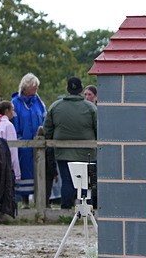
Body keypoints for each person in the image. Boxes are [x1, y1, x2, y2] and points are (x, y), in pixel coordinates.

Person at [43, 77, 98, 209]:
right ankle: (87, 210)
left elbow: (47, 129)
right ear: (80, 89)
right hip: (88, 153)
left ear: (68, 89)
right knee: (86, 182)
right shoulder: (91, 108)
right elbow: (98, 129)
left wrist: (51, 142)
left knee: (67, 182)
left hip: (63, 153)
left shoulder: (55, 106)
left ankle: (65, 210)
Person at [11, 73, 47, 203]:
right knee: (24, 172)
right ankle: (24, 201)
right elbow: (14, 123)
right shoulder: (15, 103)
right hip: (23, 145)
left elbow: (45, 118)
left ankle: (39, 201)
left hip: (38, 144)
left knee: (38, 172)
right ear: (26, 87)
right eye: (33, 87)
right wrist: (19, 139)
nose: (36, 89)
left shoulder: (39, 102)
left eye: (37, 87)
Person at [0, 100, 21, 181]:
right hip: (6, 166)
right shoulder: (8, 125)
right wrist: (17, 172)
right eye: (12, 110)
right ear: (7, 111)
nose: (13, 113)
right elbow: (12, 149)